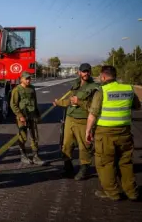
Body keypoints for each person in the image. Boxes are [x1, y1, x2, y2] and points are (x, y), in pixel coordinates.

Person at [85, 65, 141, 201]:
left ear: (103, 77)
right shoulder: (128, 89)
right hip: (125, 132)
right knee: (125, 162)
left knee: (106, 163)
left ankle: (112, 192)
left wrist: (88, 131)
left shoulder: (102, 91)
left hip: (105, 134)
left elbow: (93, 114)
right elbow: (137, 106)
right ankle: (131, 192)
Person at [53, 63, 99, 180]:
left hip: (83, 120)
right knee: (66, 145)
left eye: (88, 71)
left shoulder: (94, 88)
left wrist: (79, 102)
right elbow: (71, 101)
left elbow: (93, 107)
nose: (86, 73)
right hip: (70, 118)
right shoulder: (76, 84)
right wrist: (59, 103)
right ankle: (68, 169)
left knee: (84, 147)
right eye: (84, 71)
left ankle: (84, 170)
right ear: (79, 72)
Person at [10, 71, 43, 165]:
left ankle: (36, 156)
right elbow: (13, 104)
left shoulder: (32, 88)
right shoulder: (17, 90)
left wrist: (38, 115)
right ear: (21, 79)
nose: (28, 80)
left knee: (34, 136)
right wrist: (20, 116)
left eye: (29, 78)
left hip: (32, 115)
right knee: (23, 136)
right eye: (26, 79)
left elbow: (35, 102)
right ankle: (23, 155)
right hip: (22, 117)